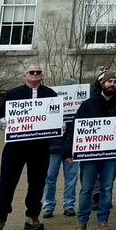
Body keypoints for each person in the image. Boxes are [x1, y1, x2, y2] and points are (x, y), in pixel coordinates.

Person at [0, 65, 59, 230]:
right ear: (25, 76)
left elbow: (56, 115)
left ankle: (32, 216)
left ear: (42, 76)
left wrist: (59, 125)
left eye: (38, 73)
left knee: (37, 182)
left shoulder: (50, 94)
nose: (35, 75)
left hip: (40, 146)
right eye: (31, 72)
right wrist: (0, 121)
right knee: (6, 181)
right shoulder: (13, 94)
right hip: (16, 146)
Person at [68, 70, 116, 230]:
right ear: (102, 83)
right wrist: (69, 151)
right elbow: (75, 128)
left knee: (107, 188)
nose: (112, 84)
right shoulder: (88, 104)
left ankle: (103, 221)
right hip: (90, 155)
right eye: (109, 81)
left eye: (115, 82)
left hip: (110, 155)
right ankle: (81, 222)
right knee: (86, 188)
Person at [41, 76, 78, 221]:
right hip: (54, 148)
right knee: (50, 178)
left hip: (72, 147)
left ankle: (69, 205)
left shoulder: (80, 106)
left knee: (71, 178)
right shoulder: (52, 104)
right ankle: (49, 206)